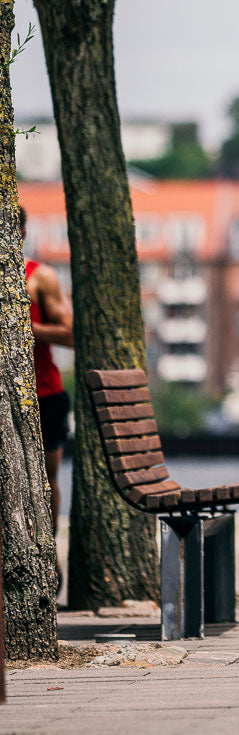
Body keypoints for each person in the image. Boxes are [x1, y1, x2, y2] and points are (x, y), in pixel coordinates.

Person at [20, 205, 74, 592]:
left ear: (20, 232)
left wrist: (25, 325)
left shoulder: (40, 277)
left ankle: (48, 555)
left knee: (46, 479)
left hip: (44, 393)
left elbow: (70, 334)